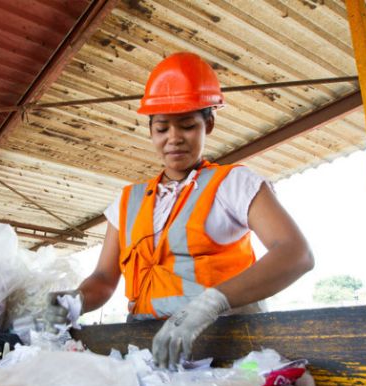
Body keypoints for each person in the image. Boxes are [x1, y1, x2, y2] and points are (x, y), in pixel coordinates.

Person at [46, 52, 314, 369]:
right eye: (161, 129)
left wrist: (210, 304)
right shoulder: (126, 201)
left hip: (227, 348)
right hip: (150, 350)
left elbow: (296, 254)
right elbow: (105, 279)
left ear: (208, 124)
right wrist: (74, 301)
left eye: (187, 126)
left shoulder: (232, 184)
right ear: (150, 131)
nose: (174, 139)